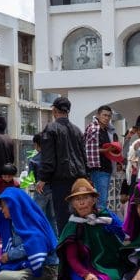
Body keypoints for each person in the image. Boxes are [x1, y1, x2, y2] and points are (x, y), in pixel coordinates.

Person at [56, 178, 125, 280]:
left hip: (107, 265)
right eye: (77, 199)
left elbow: (125, 233)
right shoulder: (73, 225)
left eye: (85, 198)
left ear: (94, 200)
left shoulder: (106, 218)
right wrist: (86, 274)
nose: (81, 202)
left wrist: (115, 228)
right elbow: (72, 258)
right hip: (82, 267)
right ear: (73, 203)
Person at [36, 96, 88, 234]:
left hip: (60, 180)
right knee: (79, 215)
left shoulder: (51, 129)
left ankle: (66, 244)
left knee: (63, 218)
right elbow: (84, 157)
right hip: (79, 180)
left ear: (54, 110)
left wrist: (43, 178)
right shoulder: (77, 130)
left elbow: (48, 158)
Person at [84, 105, 115, 210]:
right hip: (98, 169)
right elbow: (89, 149)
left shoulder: (107, 130)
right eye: (104, 115)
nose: (106, 118)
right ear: (98, 115)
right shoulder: (93, 128)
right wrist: (106, 150)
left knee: (102, 200)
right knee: (101, 202)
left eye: (109, 116)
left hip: (106, 168)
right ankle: (100, 220)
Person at [26, 133, 55, 231]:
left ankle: (39, 235)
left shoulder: (33, 160)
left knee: (37, 215)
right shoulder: (53, 157)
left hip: (40, 191)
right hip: (53, 190)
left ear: (36, 145)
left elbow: (31, 177)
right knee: (52, 217)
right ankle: (55, 237)